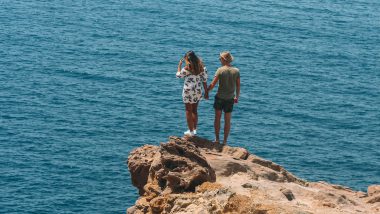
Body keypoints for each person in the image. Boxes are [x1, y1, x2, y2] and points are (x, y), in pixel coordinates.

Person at [208, 51, 240, 145]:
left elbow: (213, 84)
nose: (219, 60)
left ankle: (217, 139)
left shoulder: (220, 70)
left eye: (220, 58)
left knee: (217, 118)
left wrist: (206, 91)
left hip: (219, 98)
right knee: (227, 121)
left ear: (224, 60)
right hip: (230, 99)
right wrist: (236, 97)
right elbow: (238, 86)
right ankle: (225, 141)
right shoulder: (236, 71)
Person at [176, 51, 208, 136]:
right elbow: (204, 80)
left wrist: (179, 65)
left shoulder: (187, 68)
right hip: (197, 91)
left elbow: (179, 76)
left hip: (188, 91)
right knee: (194, 110)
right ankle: (194, 129)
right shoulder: (202, 67)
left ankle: (191, 131)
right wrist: (206, 92)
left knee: (188, 111)